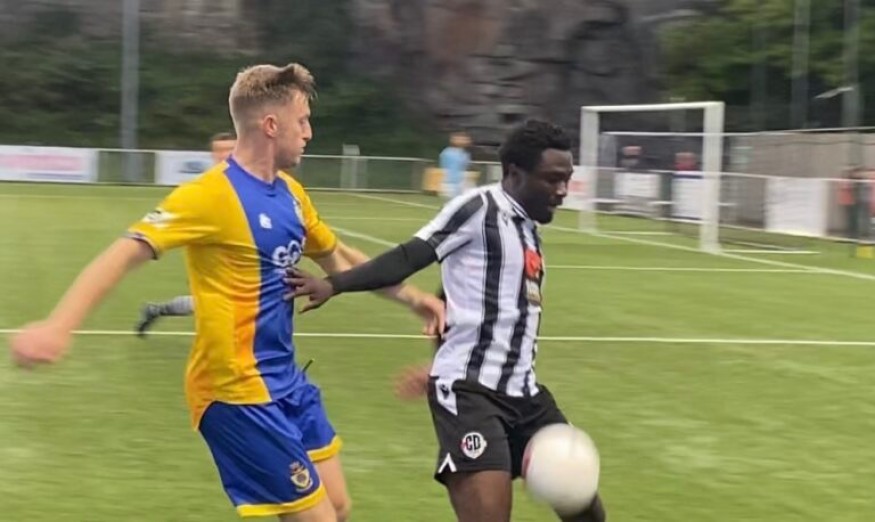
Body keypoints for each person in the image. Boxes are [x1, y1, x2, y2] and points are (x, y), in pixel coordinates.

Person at [10, 62, 444, 522]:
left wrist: (416, 300)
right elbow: (125, 252)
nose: (309, 133)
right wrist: (59, 326)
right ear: (271, 125)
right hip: (234, 391)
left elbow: (340, 258)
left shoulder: (292, 194)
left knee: (337, 506)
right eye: (302, 121)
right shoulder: (210, 196)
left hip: (286, 380)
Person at [287, 119, 606, 522]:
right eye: (552, 179)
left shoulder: (528, 230)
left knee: (586, 511)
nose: (562, 190)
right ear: (514, 173)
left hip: (526, 395)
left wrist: (437, 360)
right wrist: (335, 284)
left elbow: (453, 300)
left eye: (567, 179)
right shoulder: (478, 209)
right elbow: (409, 256)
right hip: (471, 396)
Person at [134, 131, 238, 336]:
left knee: (209, 303)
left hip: (239, 254)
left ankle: (156, 310)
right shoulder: (203, 188)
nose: (225, 154)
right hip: (213, 259)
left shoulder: (248, 183)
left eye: (230, 149)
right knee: (218, 304)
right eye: (220, 150)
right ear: (213, 154)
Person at [439, 131, 472, 199]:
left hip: (463, 182)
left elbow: (464, 168)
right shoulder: (448, 152)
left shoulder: (465, 154)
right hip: (450, 183)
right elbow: (444, 167)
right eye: (462, 139)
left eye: (466, 139)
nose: (465, 141)